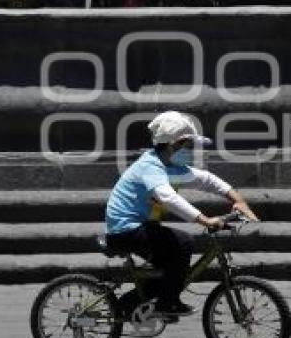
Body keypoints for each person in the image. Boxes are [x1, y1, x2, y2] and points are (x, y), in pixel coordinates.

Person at [105, 110, 259, 319]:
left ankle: (128, 304)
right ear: (173, 145)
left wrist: (238, 200)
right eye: (188, 145)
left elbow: (206, 179)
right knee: (183, 243)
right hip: (125, 229)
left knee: (170, 270)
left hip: (143, 227)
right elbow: (168, 197)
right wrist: (204, 219)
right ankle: (168, 303)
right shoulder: (150, 166)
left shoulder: (171, 167)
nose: (191, 150)